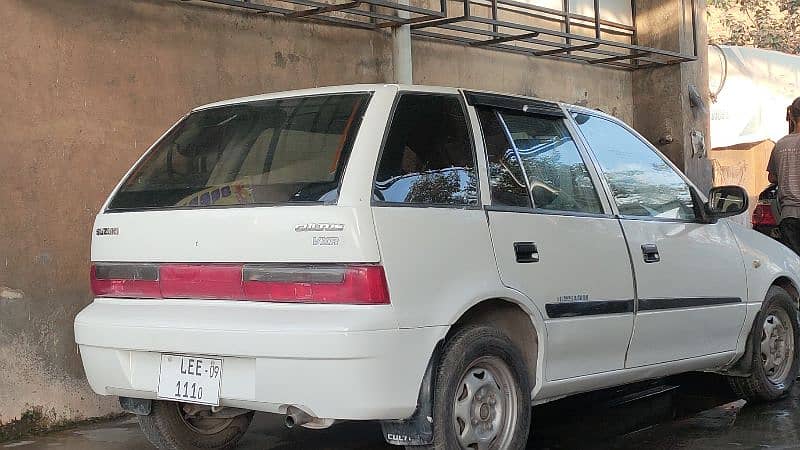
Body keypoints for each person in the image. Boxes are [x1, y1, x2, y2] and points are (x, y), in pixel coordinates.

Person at [767, 97, 800, 254]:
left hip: (788, 216)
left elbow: (772, 178)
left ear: (791, 117)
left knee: (794, 265)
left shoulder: (779, 145)